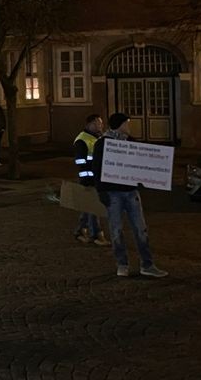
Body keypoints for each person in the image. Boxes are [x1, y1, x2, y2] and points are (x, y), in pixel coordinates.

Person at [92, 113, 168, 278]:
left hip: (131, 192)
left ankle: (147, 264)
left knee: (141, 229)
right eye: (127, 123)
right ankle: (122, 264)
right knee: (116, 230)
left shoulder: (131, 142)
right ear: (119, 125)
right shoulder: (102, 144)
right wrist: (101, 191)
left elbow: (141, 164)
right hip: (113, 194)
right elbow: (97, 169)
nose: (129, 126)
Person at [72, 114, 108, 246]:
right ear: (90, 124)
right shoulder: (82, 140)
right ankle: (96, 234)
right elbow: (80, 160)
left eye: (101, 123)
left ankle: (82, 231)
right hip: (88, 178)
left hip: (95, 177)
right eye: (98, 123)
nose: (101, 126)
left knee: (88, 206)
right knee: (93, 207)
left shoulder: (96, 138)